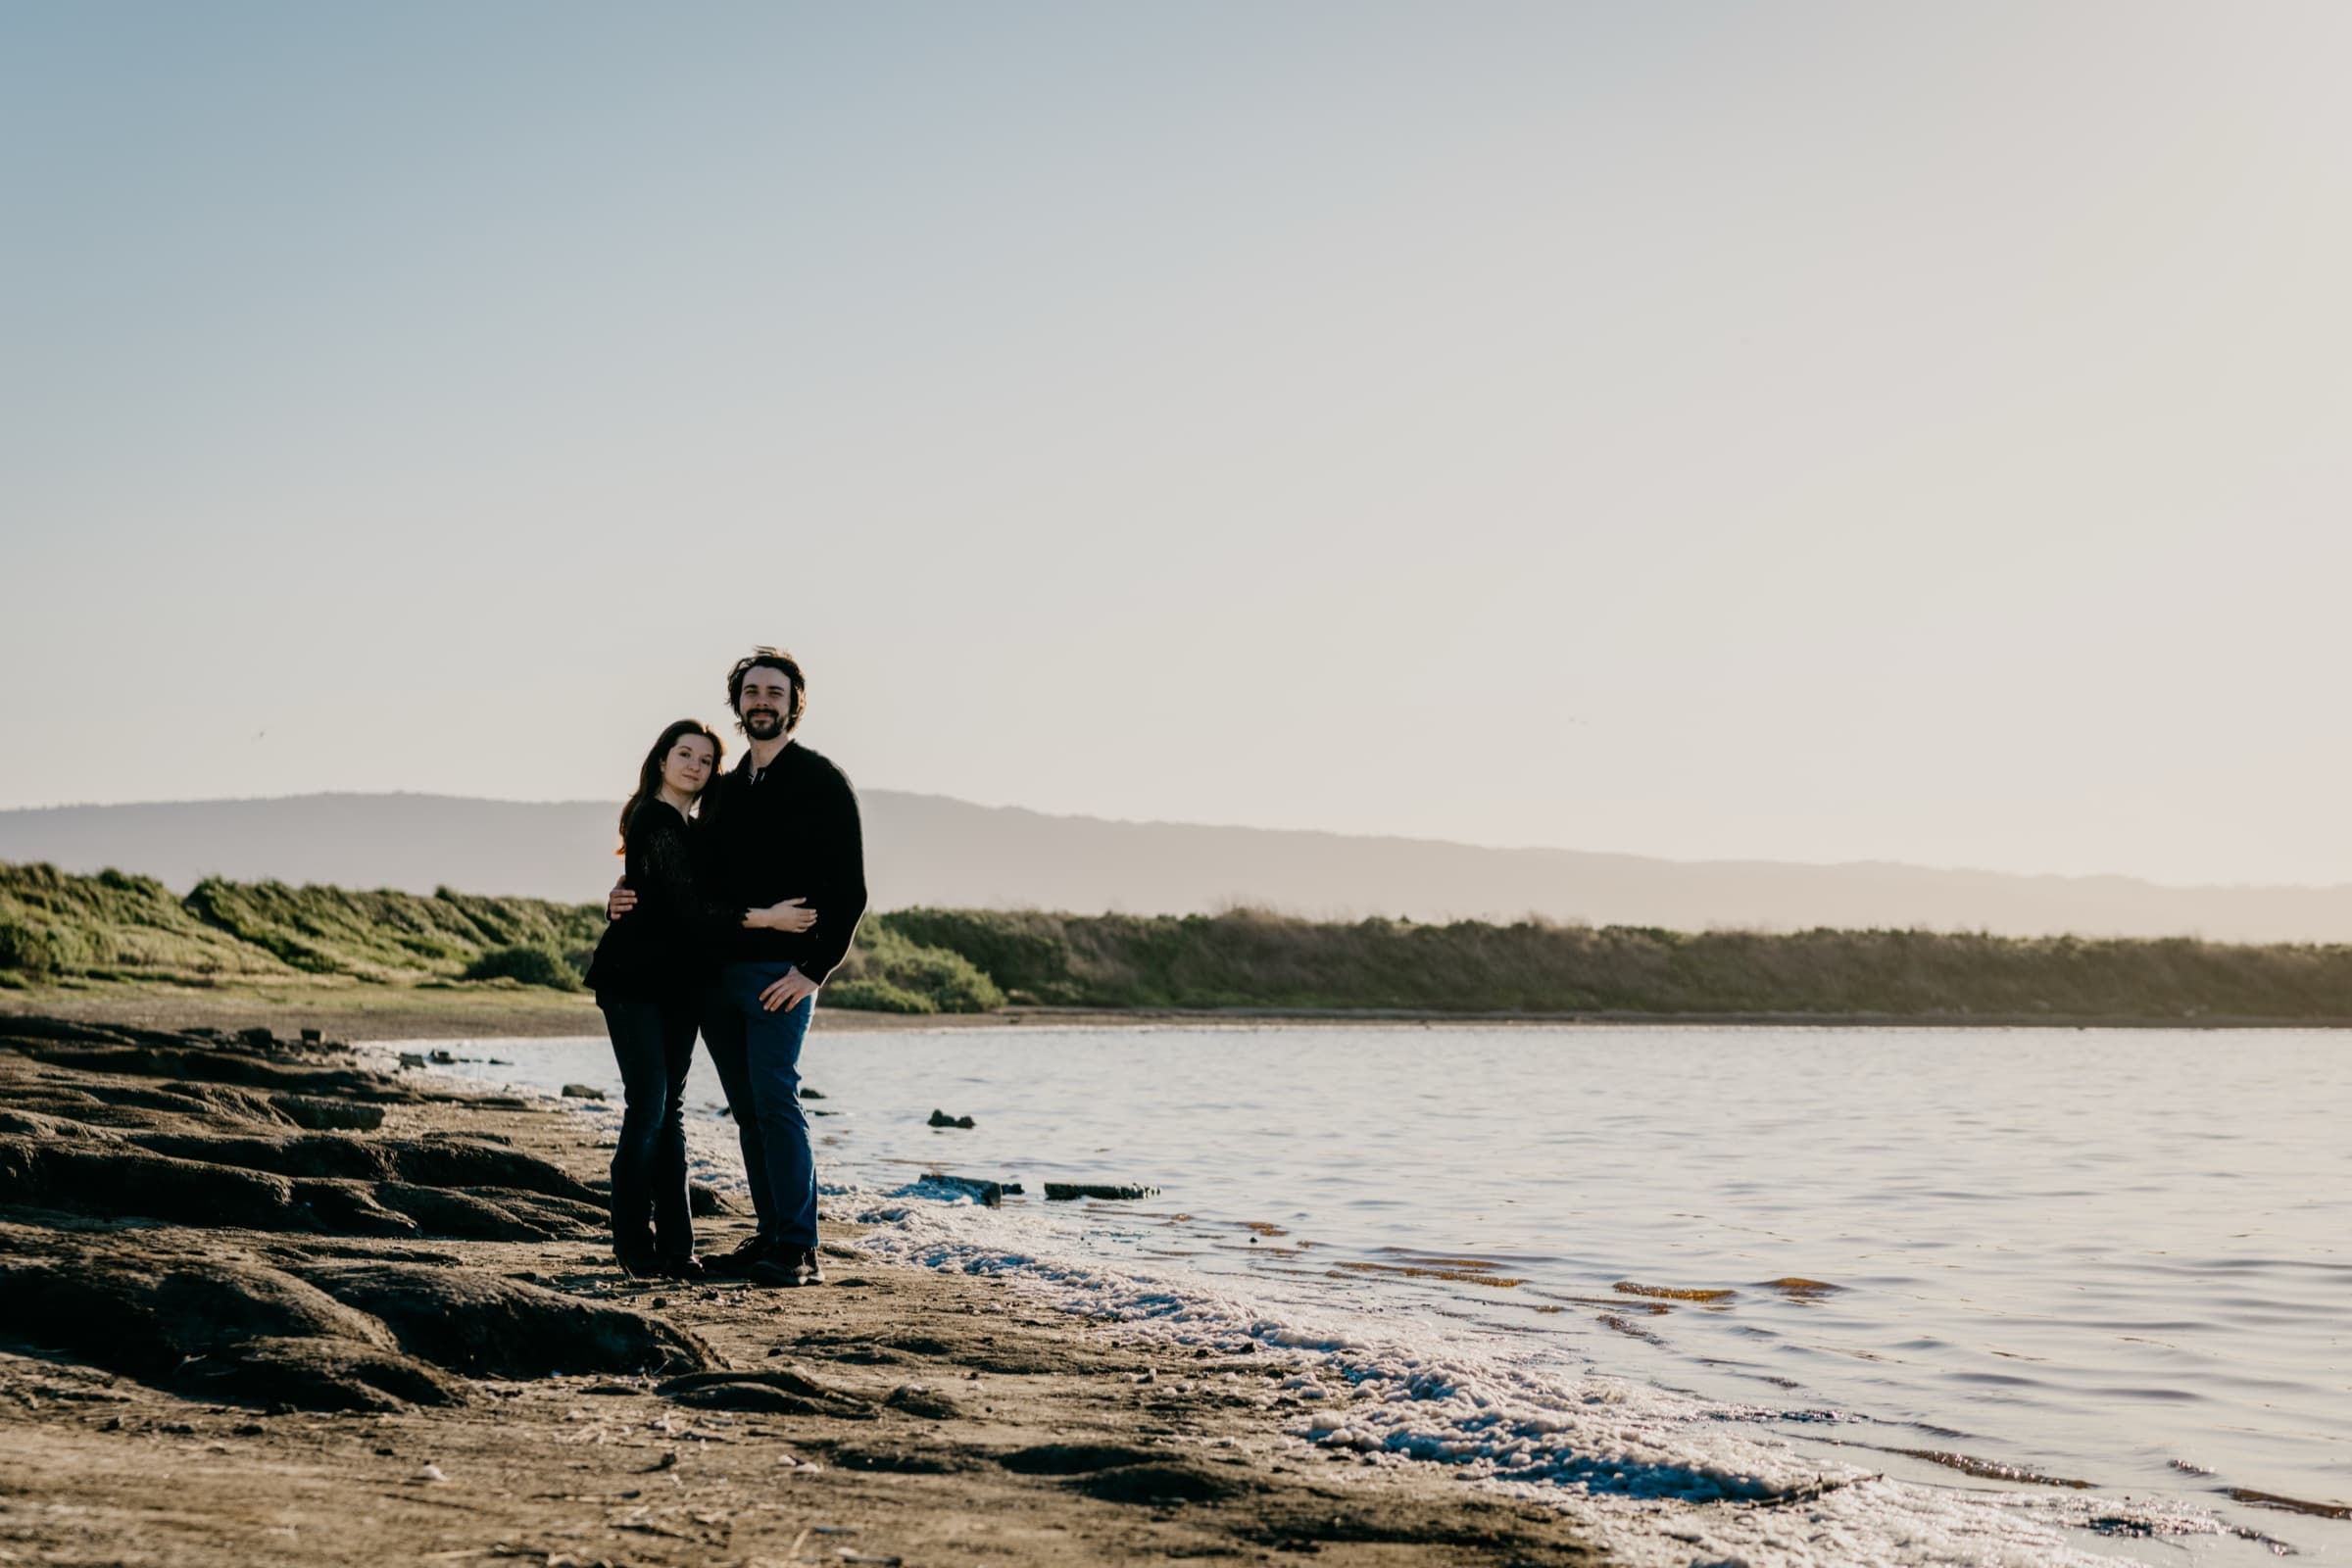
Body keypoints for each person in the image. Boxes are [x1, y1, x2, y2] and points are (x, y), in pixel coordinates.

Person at [609, 648, 867, 1289]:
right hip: (715, 977)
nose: (762, 702)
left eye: (775, 693)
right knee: (749, 1111)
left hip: (783, 974)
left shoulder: (820, 782)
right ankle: (771, 1233)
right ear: (738, 702)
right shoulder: (720, 793)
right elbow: (679, 873)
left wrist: (815, 970)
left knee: (778, 1099)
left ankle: (799, 1248)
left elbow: (851, 890)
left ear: (793, 704)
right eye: (752, 691)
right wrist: (623, 888)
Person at [583, 718, 817, 1279]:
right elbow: (687, 911)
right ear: (661, 760)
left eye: (706, 759)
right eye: (683, 753)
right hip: (635, 984)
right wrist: (770, 918)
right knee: (648, 1108)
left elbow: (663, 900)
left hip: (681, 987)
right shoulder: (652, 819)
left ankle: (678, 1248)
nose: (694, 764)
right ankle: (634, 1243)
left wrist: (619, 896)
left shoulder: (690, 828)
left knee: (670, 1114)